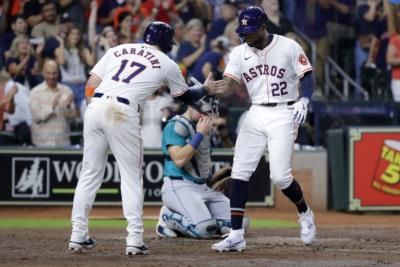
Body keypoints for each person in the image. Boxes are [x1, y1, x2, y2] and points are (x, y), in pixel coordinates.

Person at [68, 21, 226, 255]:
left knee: (90, 174)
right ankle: (134, 239)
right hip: (123, 110)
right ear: (165, 42)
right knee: (131, 177)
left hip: (96, 106)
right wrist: (206, 89)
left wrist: (98, 109)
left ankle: (78, 236)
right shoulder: (166, 62)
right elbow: (185, 96)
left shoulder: (116, 49)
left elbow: (91, 84)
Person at [211, 6, 317, 252]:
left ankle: (305, 212)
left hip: (284, 111)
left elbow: (307, 76)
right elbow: (228, 86)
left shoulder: (288, 45)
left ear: (263, 26)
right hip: (256, 111)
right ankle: (236, 234)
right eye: (243, 30)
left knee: (280, 176)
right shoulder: (238, 53)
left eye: (250, 30)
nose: (245, 35)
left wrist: (305, 99)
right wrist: (209, 89)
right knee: (239, 171)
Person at [156, 96, 249, 238]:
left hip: (202, 187)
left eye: (208, 112)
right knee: (203, 229)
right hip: (179, 185)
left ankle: (207, 220)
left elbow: (198, 163)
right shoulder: (175, 125)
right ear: (191, 107)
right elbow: (179, 160)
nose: (206, 116)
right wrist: (199, 134)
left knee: (239, 225)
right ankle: (167, 216)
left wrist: (213, 178)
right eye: (203, 111)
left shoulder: (203, 127)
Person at [29, 59, 76, 147]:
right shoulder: (35, 92)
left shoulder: (66, 90)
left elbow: (72, 118)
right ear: (43, 73)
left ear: (58, 73)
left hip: (62, 142)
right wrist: (52, 106)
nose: (51, 76)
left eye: (54, 73)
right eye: (48, 73)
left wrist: (68, 106)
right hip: (42, 144)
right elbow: (37, 117)